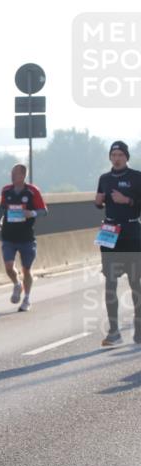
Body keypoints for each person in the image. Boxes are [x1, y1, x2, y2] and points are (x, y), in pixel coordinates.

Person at [93, 140, 141, 346]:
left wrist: (127, 201)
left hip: (131, 234)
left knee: (135, 284)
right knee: (110, 284)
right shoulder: (104, 178)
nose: (117, 158)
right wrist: (97, 202)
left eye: (120, 154)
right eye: (113, 155)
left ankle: (139, 330)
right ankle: (114, 331)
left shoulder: (137, 177)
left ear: (126, 157)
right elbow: (99, 203)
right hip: (110, 235)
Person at [0, 164, 47, 312]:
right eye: (11, 173)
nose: (12, 176)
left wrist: (32, 213)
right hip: (8, 235)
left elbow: (44, 211)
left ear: (23, 175)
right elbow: (1, 207)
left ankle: (26, 299)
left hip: (26, 237)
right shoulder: (6, 190)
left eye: (15, 174)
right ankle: (17, 284)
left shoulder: (32, 191)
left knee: (27, 270)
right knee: (8, 266)